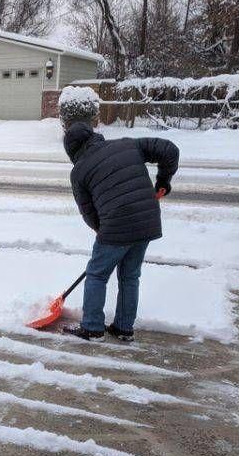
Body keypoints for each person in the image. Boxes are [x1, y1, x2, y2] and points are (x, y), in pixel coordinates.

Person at [62, 121, 179, 342]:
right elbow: (169, 150)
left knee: (97, 274)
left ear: (72, 150)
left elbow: (88, 212)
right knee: (130, 276)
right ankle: (124, 328)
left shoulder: (78, 172)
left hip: (116, 225)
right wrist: (164, 180)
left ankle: (92, 328)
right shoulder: (127, 144)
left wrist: (104, 232)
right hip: (147, 221)